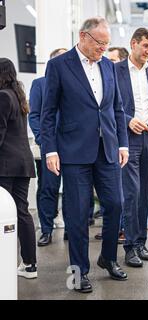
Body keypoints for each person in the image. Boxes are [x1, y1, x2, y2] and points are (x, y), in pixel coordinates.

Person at [41, 17, 129, 293]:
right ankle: (79, 272)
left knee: (115, 204)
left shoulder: (108, 66)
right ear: (83, 36)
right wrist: (50, 149)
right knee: (77, 214)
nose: (103, 49)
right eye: (99, 43)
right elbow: (48, 112)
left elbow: (117, 108)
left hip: (107, 150)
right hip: (73, 152)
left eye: (106, 44)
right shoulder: (59, 65)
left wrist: (122, 144)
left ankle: (108, 257)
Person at [116, 28, 148, 268]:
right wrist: (127, 118)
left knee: (145, 192)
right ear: (134, 44)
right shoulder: (116, 71)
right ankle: (129, 247)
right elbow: (110, 104)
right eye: (145, 46)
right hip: (128, 138)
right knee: (131, 193)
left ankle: (140, 243)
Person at [0, 58, 37, 279]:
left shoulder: (3, 97)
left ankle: (5, 262)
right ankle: (30, 264)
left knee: (6, 213)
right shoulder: (17, 95)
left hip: (6, 164)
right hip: (22, 162)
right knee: (21, 211)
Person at [29, 48, 68, 247]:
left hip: (73, 145)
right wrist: (43, 140)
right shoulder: (40, 84)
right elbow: (34, 115)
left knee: (73, 190)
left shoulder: (74, 83)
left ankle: (71, 228)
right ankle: (46, 230)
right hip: (50, 144)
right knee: (48, 188)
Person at [94, 46, 129, 244]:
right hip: (90, 147)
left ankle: (120, 235)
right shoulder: (101, 72)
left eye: (114, 59)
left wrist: (122, 145)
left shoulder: (112, 72)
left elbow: (119, 109)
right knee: (107, 200)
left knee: (119, 199)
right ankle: (114, 231)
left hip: (113, 145)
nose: (110, 61)